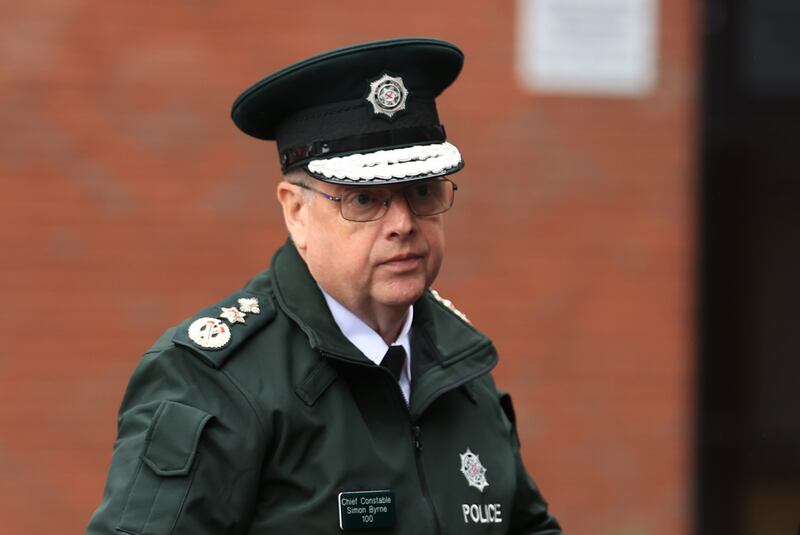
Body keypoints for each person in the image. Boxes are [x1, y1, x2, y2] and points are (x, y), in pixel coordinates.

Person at [86, 37, 563, 535]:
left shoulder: (459, 367)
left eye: (422, 191)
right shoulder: (214, 381)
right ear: (296, 212)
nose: (403, 223)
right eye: (363, 200)